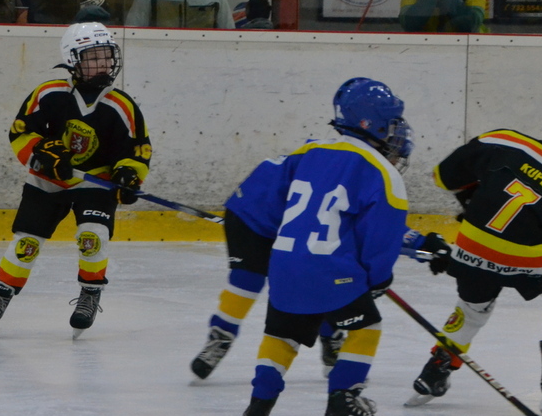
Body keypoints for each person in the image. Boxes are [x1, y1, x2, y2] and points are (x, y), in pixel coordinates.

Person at [407, 100, 542, 416]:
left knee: (472, 308)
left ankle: (437, 367)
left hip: (469, 248)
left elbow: (443, 176)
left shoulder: (503, 140)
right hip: (525, 261)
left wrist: (475, 197)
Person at [239, 78, 414, 416]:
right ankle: (343, 404)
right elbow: (380, 240)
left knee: (282, 333)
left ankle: (260, 401)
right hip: (332, 273)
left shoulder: (308, 151)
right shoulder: (381, 171)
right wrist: (377, 279)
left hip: (284, 266)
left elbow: (264, 196)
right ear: (371, 123)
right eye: (392, 122)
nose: (397, 130)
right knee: (366, 326)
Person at [190, 146, 450, 380]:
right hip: (252, 214)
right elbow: (377, 228)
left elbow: (375, 226)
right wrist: (419, 243)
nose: (394, 162)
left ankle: (330, 335)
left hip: (290, 221)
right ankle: (221, 336)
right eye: (393, 155)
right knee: (247, 280)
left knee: (321, 276)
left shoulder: (352, 163)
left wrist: (420, 243)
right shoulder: (354, 168)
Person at [0, 22, 151, 340]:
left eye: (106, 56)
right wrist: (43, 155)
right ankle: (1, 293)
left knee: (93, 235)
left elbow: (137, 150)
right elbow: (21, 132)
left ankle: (90, 293)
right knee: (27, 242)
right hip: (47, 181)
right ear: (73, 60)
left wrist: (128, 175)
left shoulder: (121, 105)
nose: (103, 63)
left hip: (95, 182)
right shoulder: (49, 93)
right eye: (93, 57)